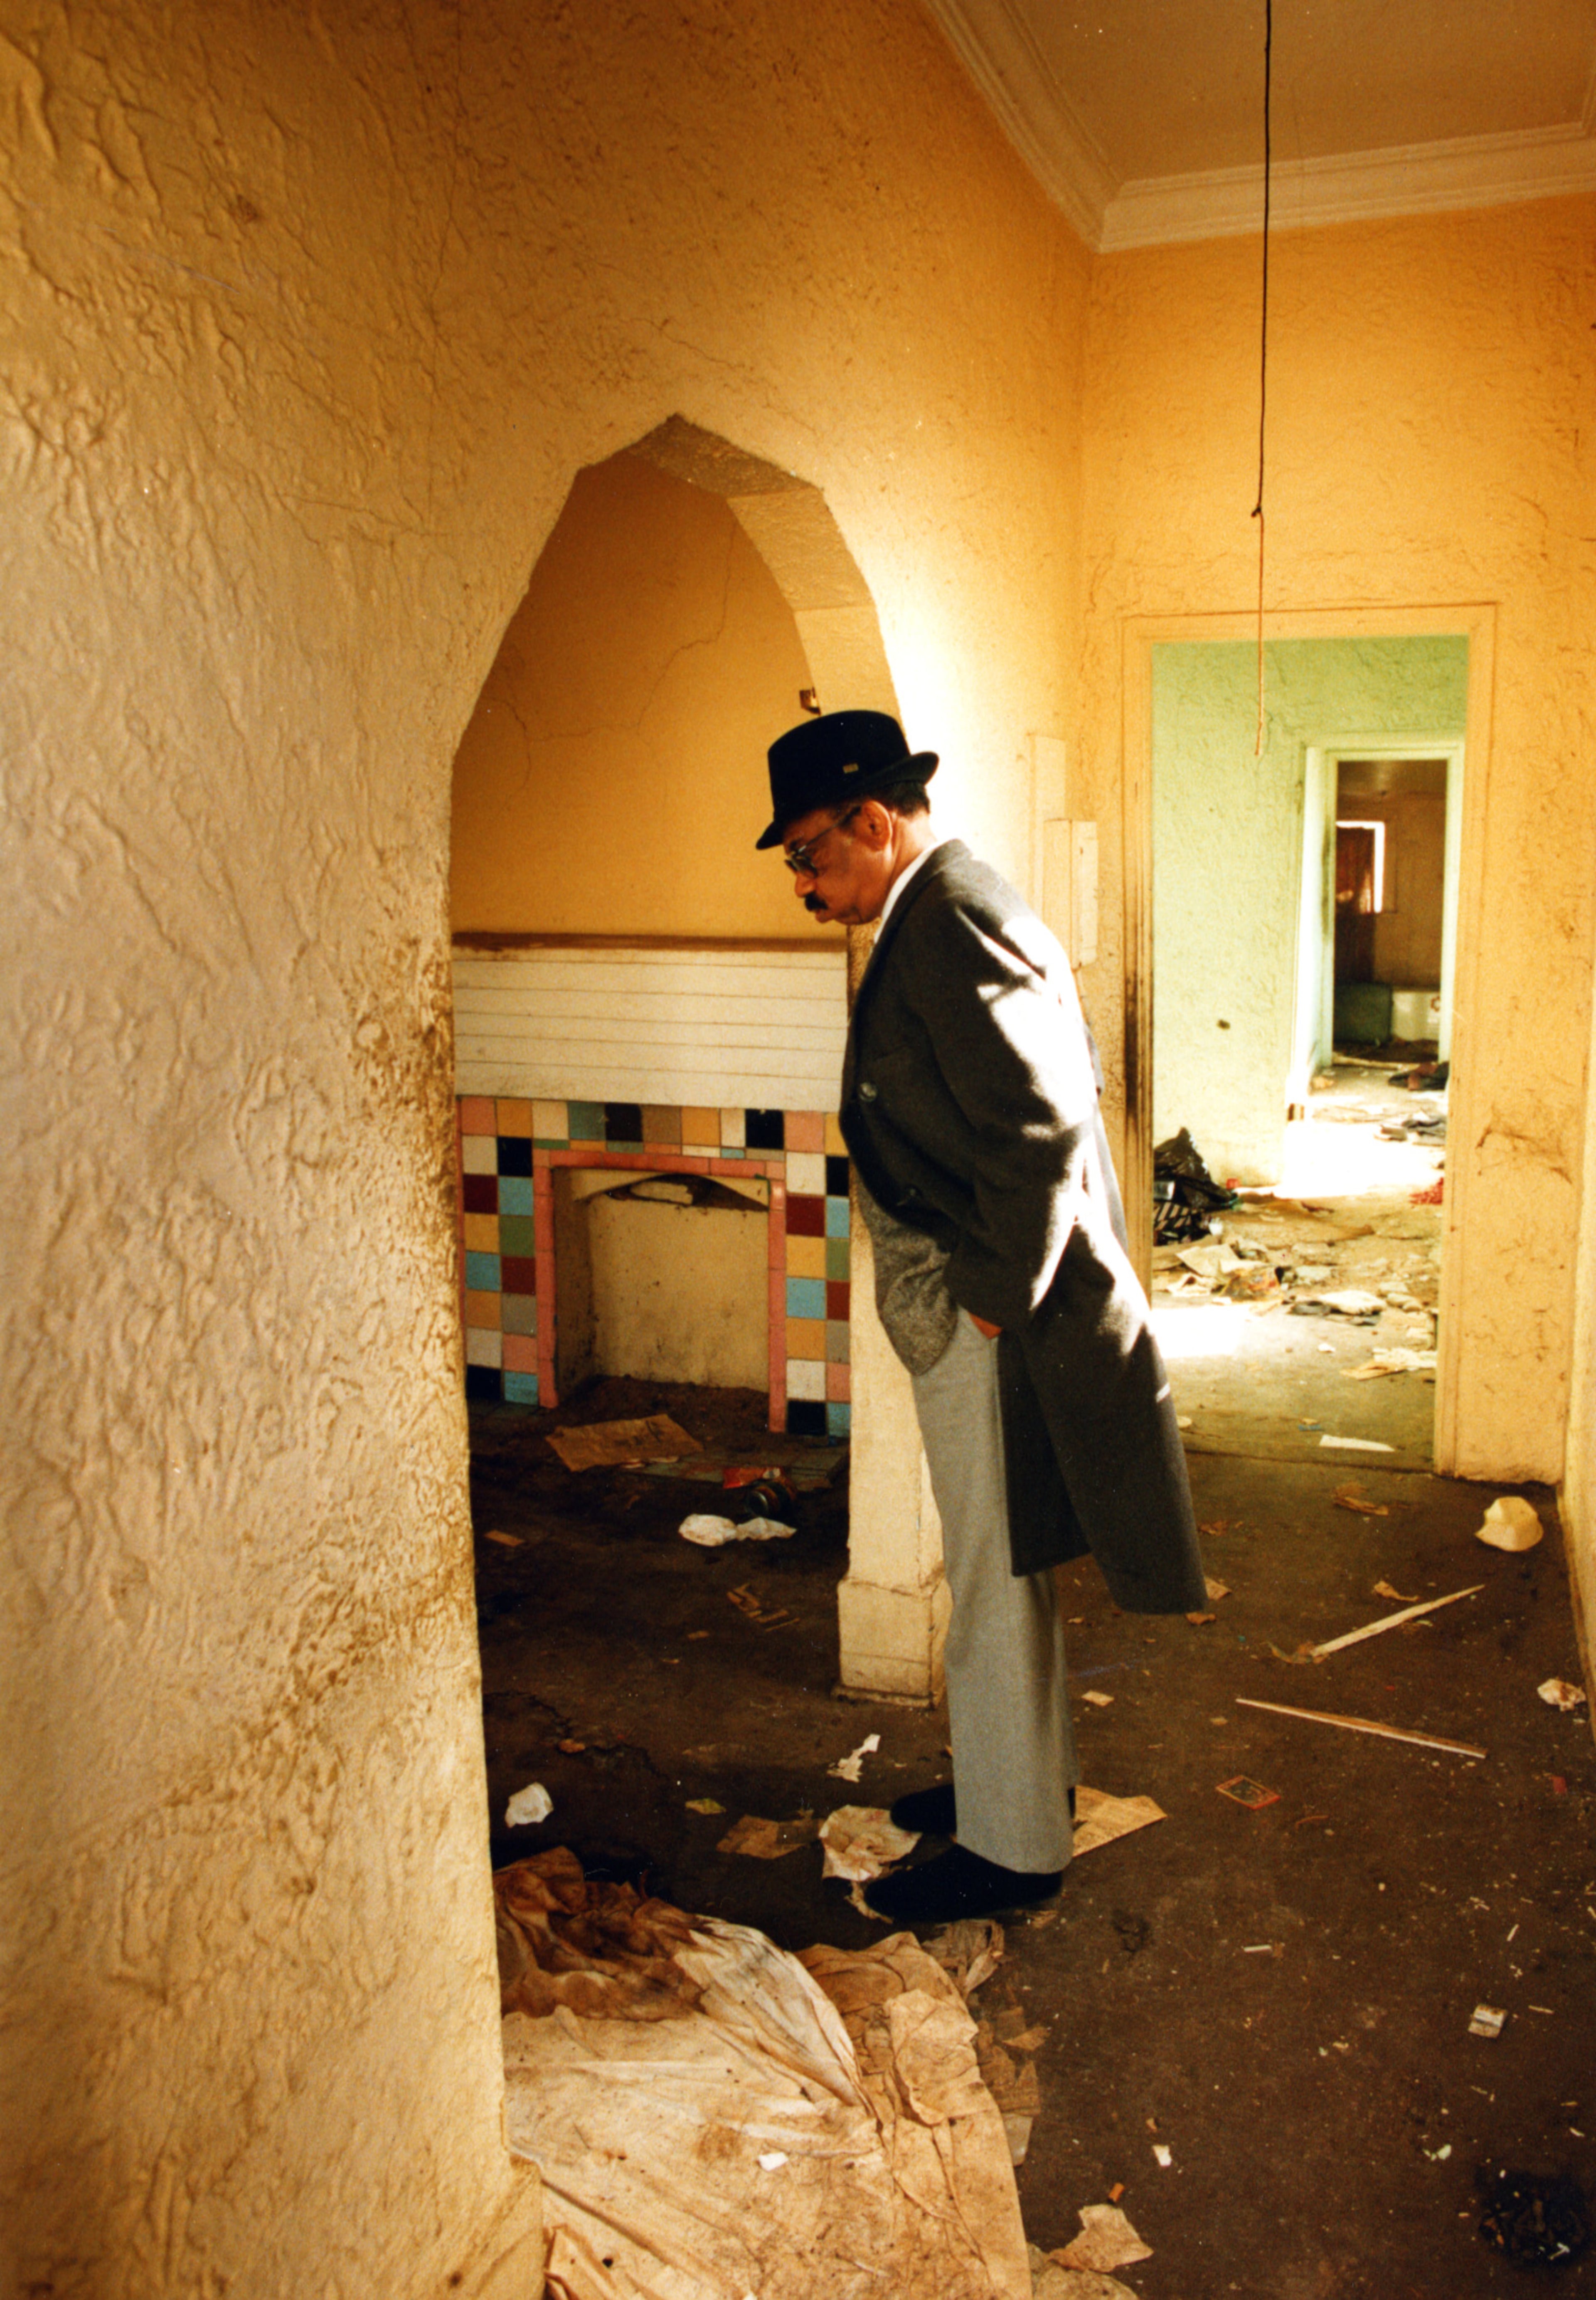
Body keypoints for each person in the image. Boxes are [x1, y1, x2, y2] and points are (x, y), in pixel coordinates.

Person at [755, 708, 1207, 1926]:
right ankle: (1019, 1783)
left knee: (997, 1576)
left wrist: (995, 1300)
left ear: (875, 821)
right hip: (988, 1294)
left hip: (1007, 1309)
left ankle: (1014, 1852)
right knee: (1002, 1561)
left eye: (810, 854)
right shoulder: (934, 906)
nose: (803, 883)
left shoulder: (950, 915)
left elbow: (1042, 1130)